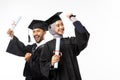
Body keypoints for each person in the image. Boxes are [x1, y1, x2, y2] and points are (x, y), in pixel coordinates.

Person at [40, 12, 90, 80]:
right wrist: (51, 63)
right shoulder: (47, 46)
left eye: (62, 24)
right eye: (58, 25)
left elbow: (83, 38)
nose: (61, 27)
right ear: (51, 28)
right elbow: (42, 66)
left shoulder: (71, 41)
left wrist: (73, 19)